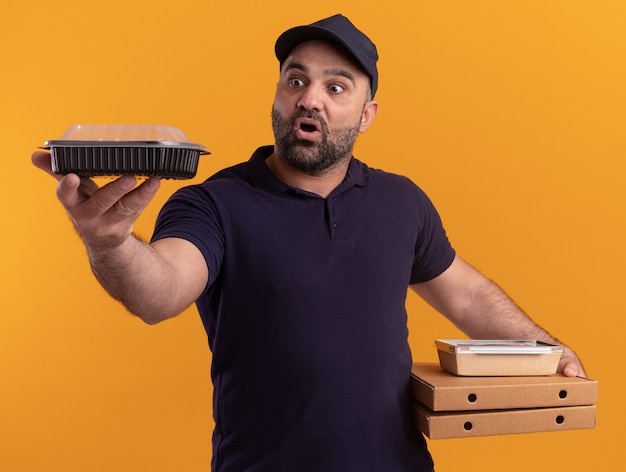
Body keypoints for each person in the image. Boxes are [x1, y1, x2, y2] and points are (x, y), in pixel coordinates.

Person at [32, 14, 585, 472]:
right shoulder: (215, 203)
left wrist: (550, 352)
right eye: (296, 80)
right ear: (278, 96)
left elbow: (466, 296)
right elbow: (161, 292)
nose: (310, 99)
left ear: (366, 115)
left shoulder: (401, 201)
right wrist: (109, 244)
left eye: (335, 86)